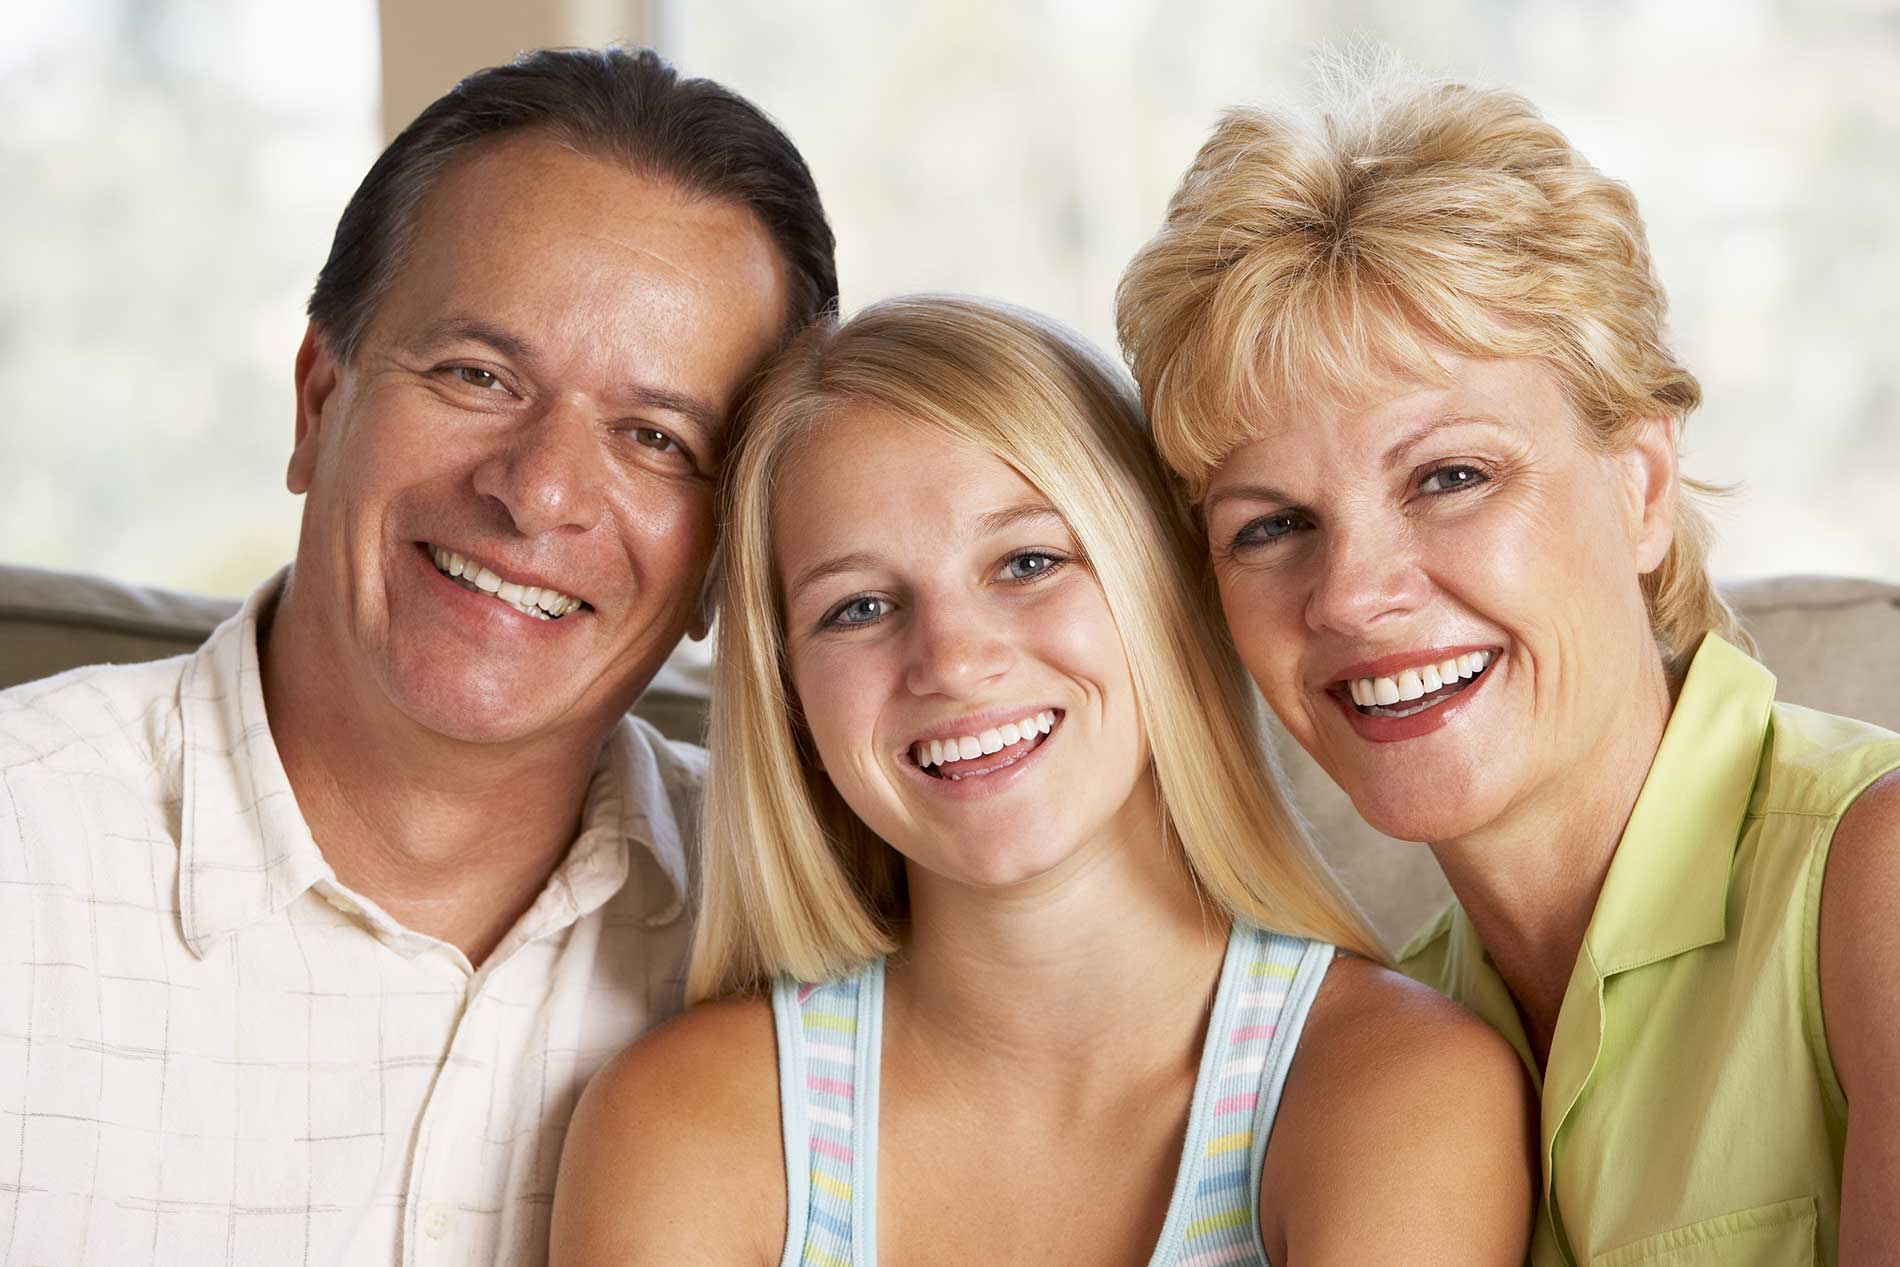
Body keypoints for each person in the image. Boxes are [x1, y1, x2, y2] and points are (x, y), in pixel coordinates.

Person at [0, 47, 836, 1264]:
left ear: (729, 557)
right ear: (316, 398)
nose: (540, 492)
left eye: (655, 437)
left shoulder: (814, 940)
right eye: (476, 374)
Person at [550, 295, 1534, 1265]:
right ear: (789, 698)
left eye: (1025, 561)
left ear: (1161, 593)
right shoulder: (687, 1118)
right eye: (855, 608)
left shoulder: (1395, 1085)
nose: (953, 660)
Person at [1116, 70, 1900, 1267]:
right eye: (1269, 525)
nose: (1349, 593)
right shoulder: (1360, 1048)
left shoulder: (1872, 875)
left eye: (1448, 476)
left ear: (1640, 487)